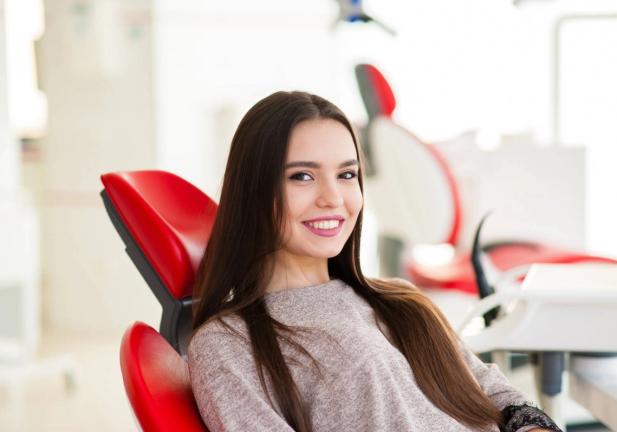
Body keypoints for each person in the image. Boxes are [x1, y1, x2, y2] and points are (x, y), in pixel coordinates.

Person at [188, 91, 561, 432]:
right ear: (253, 191)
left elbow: (501, 399)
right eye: (302, 176)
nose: (333, 198)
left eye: (347, 174)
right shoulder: (228, 344)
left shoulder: (402, 301)